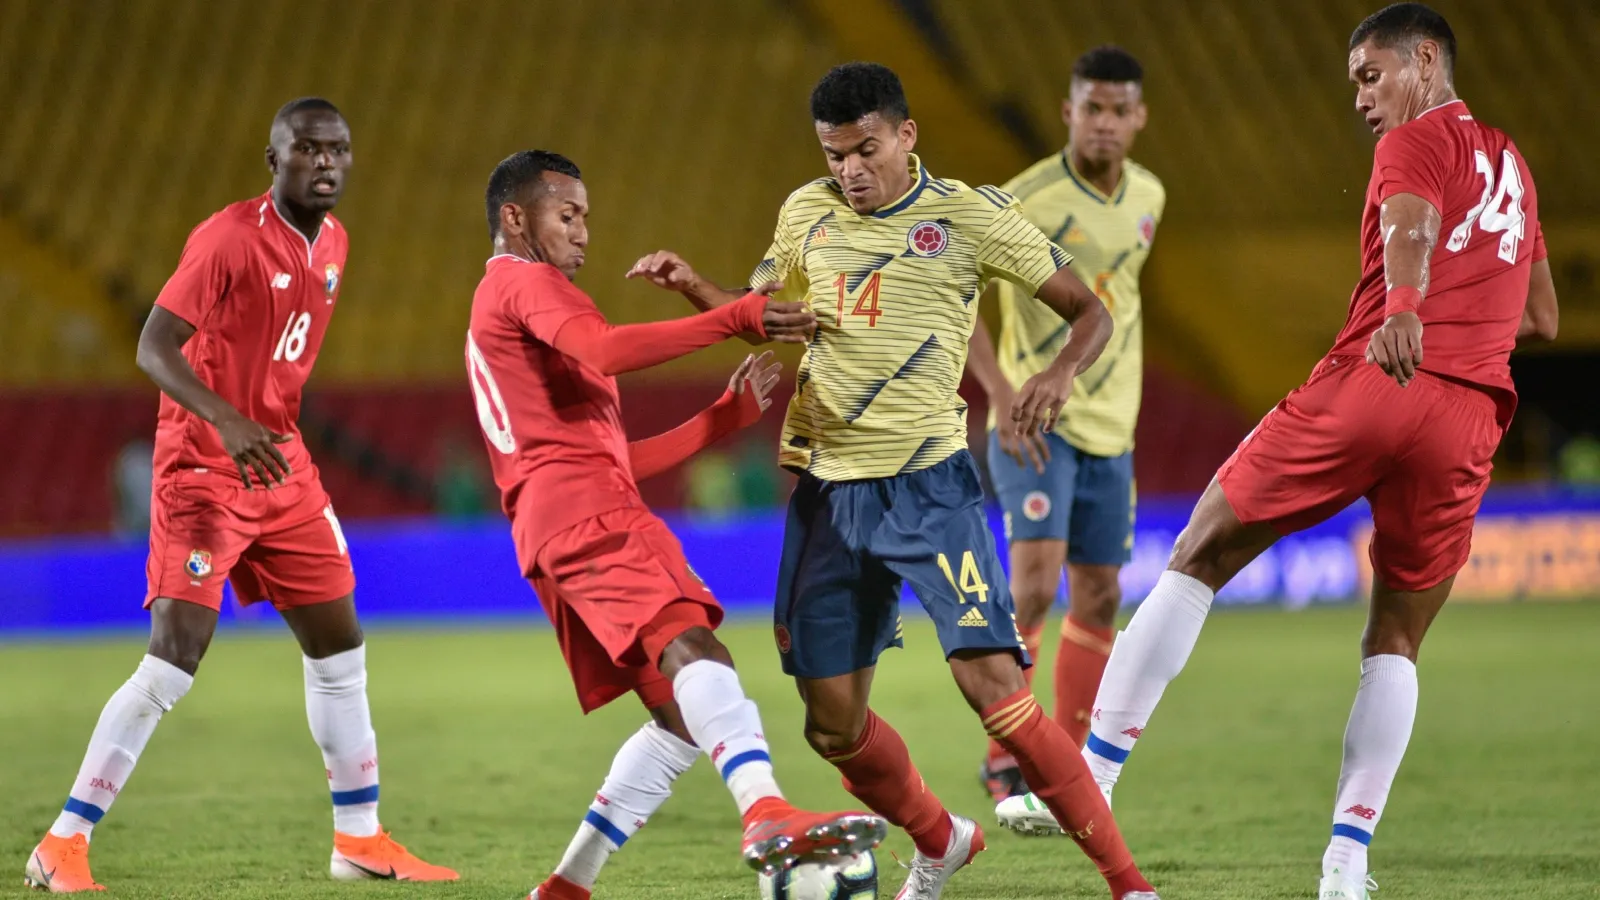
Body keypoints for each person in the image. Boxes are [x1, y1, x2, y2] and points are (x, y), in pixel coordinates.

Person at [1013, 5, 1559, 899]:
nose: (1361, 98)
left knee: (1200, 550)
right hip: (1470, 417)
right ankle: (1347, 861)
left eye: (1370, 75)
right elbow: (1540, 317)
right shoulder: (1515, 165)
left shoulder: (1418, 141)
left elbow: (1412, 225)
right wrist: (1463, 335)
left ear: (1426, 62)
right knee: (1396, 640)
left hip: (1381, 376)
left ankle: (1093, 780)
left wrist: (1410, 311)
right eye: (1355, 83)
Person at [627, 63, 1159, 900]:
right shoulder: (806, 213)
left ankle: (1130, 885)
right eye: (835, 154)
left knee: (997, 693)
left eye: (865, 150)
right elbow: (754, 309)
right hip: (827, 494)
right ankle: (941, 840)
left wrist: (1054, 379)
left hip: (929, 488)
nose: (849, 171)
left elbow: (1092, 311)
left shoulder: (969, 216)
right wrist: (700, 289)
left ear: (906, 136)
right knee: (830, 725)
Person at [24, 98, 457, 893]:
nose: (325, 163)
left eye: (338, 151)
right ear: (275, 159)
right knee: (174, 659)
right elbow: (153, 344)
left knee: (340, 646)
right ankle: (63, 843)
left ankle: (358, 838)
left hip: (281, 466)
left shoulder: (335, 243)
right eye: (307, 151)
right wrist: (224, 421)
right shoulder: (227, 238)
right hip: (204, 465)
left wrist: (264, 429)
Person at [461, 150, 885, 900]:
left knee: (680, 715)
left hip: (556, 521)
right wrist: (738, 316)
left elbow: (605, 453)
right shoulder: (527, 284)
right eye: (568, 214)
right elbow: (606, 350)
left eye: (586, 215)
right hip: (591, 516)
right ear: (515, 218)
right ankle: (766, 812)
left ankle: (567, 886)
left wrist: (719, 420)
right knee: (695, 647)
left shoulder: (511, 305)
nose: (584, 231)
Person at [966, 45, 1165, 807]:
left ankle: (1071, 759)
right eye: (1093, 108)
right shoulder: (1021, 200)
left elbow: (1123, 302)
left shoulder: (1151, 195)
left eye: (1120, 110)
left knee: (1101, 594)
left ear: (1139, 117)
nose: (1106, 124)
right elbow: (962, 297)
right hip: (1033, 423)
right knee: (1035, 586)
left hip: (1114, 426)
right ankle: (1005, 753)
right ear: (1068, 112)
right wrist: (996, 389)